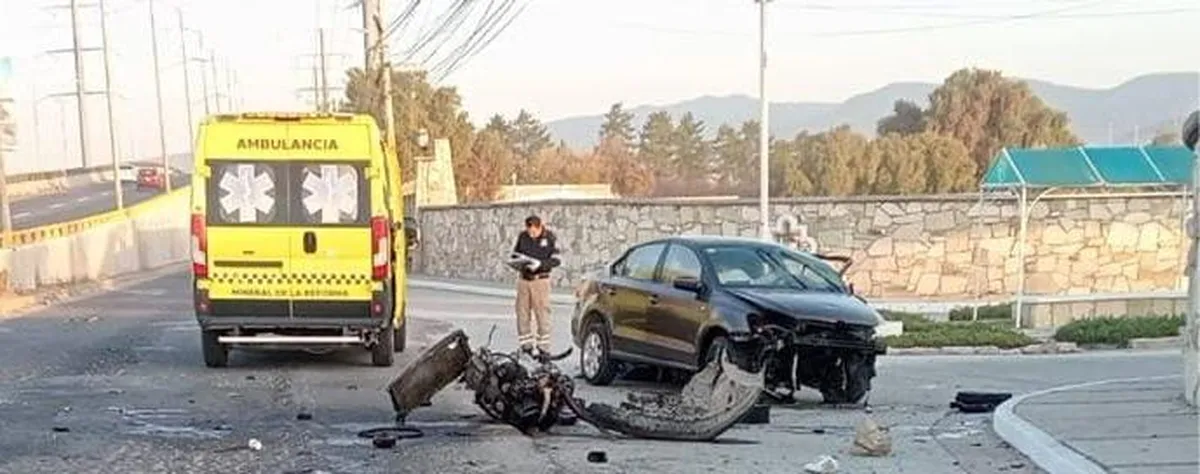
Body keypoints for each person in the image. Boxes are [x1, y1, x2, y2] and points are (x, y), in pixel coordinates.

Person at [511, 215, 561, 354]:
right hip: (524, 280)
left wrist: (541, 264)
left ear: (540, 227)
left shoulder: (550, 237)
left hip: (540, 280)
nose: (531, 234)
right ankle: (526, 346)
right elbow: (515, 254)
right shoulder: (523, 237)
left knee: (542, 314)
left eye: (534, 232)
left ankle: (543, 348)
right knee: (522, 313)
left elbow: (556, 260)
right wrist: (518, 262)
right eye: (529, 231)